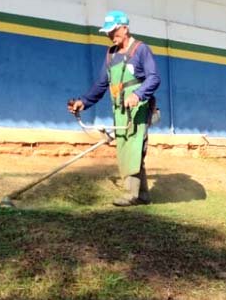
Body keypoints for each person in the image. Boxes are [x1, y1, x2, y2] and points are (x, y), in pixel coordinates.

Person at [68, 11, 160, 207]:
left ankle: (132, 195)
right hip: (120, 111)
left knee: (134, 149)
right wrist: (84, 102)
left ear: (124, 28)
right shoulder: (111, 55)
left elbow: (154, 78)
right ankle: (143, 195)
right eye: (108, 32)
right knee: (126, 148)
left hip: (139, 110)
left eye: (113, 31)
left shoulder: (141, 50)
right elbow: (102, 84)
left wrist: (138, 95)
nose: (110, 35)